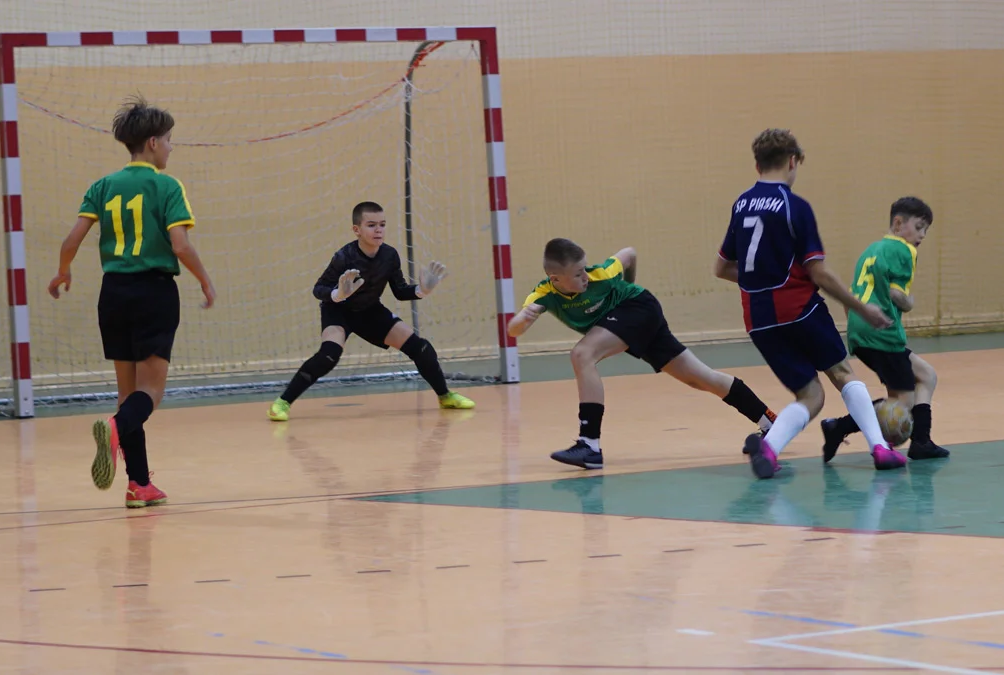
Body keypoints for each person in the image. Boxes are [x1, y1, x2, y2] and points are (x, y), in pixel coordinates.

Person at [48, 95, 216, 507]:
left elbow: (72, 240)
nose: (171, 148)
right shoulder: (167, 185)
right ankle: (114, 428)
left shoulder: (102, 186)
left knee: (127, 394)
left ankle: (138, 484)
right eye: (170, 140)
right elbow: (180, 245)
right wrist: (205, 280)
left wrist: (64, 271)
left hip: (113, 293)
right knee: (150, 393)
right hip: (153, 291)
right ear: (154, 143)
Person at [713, 128, 905, 480]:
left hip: (758, 318)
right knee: (843, 373)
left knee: (810, 395)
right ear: (792, 161)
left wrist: (761, 281)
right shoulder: (794, 207)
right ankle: (880, 447)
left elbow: (722, 268)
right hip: (799, 308)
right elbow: (820, 273)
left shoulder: (741, 205)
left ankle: (769, 448)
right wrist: (861, 307)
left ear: (757, 165)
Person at [507, 238, 777, 469]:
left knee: (582, 354)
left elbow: (629, 253)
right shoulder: (544, 294)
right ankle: (770, 423)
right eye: (577, 274)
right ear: (555, 279)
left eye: (584, 269)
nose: (585, 277)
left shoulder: (601, 274)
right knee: (699, 378)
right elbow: (513, 330)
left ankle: (589, 445)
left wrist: (628, 287)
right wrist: (524, 319)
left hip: (637, 308)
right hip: (632, 321)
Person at [266, 201, 474, 421]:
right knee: (328, 355)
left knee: (421, 348)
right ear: (357, 229)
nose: (378, 230)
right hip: (338, 310)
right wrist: (338, 294)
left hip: (369, 311)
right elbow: (318, 289)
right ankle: (282, 403)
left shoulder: (390, 255)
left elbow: (400, 291)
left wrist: (422, 290)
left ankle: (445, 396)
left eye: (382, 224)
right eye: (371, 225)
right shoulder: (344, 256)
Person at [819, 197, 950, 462]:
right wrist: (909, 303)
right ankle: (839, 427)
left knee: (926, 375)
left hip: (860, 329)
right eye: (919, 227)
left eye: (926, 230)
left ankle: (921, 440)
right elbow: (896, 294)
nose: (922, 235)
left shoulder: (872, 250)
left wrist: (857, 327)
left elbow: (854, 294)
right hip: (882, 331)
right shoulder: (904, 250)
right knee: (902, 403)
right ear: (898, 223)